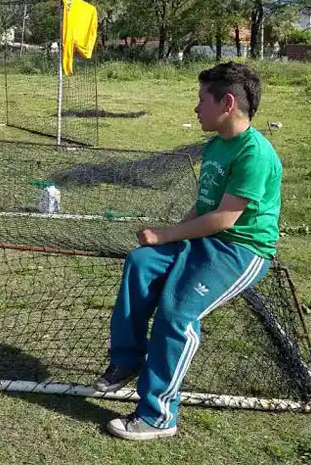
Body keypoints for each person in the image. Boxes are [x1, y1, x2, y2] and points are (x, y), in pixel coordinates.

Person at [94, 62, 282, 440]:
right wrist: (173, 237)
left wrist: (165, 236)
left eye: (201, 100)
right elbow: (203, 206)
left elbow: (227, 218)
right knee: (141, 262)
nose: (195, 108)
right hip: (206, 239)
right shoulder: (215, 144)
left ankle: (159, 416)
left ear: (227, 103)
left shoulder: (255, 154)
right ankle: (127, 360)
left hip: (240, 251)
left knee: (176, 311)